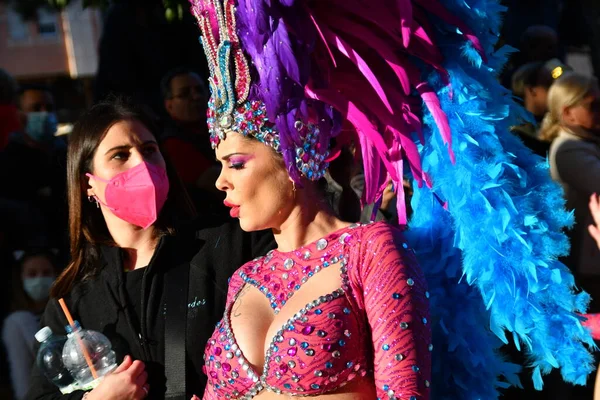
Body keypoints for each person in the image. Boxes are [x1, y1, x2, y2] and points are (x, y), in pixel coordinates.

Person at [188, 0, 597, 398]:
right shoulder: (246, 277)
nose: (220, 181)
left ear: (296, 152)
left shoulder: (370, 250)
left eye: (236, 163)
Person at [24, 98, 274, 400]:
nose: (141, 165)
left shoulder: (229, 243)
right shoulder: (73, 298)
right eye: (120, 156)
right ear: (86, 184)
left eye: (149, 150)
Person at [541, 73, 600, 310]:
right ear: (568, 113)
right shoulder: (569, 149)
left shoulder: (584, 142)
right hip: (591, 259)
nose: (599, 110)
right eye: (593, 105)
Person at [159, 67, 224, 216]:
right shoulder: (172, 145)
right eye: (184, 94)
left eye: (200, 90)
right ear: (169, 105)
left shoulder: (217, 126)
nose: (195, 97)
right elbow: (215, 182)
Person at [2, 249, 58, 400]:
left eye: (46, 273)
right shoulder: (18, 321)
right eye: (32, 274)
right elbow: (22, 380)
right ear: (20, 279)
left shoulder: (61, 312)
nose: (39, 279)